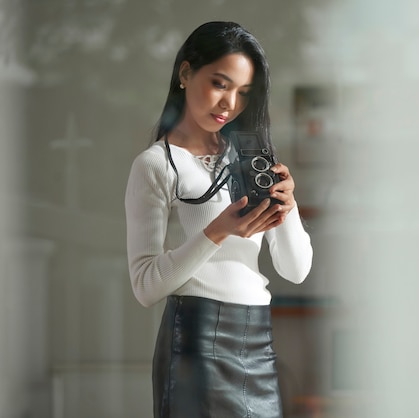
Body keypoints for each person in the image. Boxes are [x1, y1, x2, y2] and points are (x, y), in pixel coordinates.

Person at [124, 21, 313, 418]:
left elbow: (296, 271)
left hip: (257, 342)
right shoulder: (155, 165)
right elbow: (145, 287)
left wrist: (289, 205)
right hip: (195, 344)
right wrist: (218, 231)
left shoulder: (250, 159)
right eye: (220, 84)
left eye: (244, 93)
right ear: (186, 73)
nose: (230, 103)